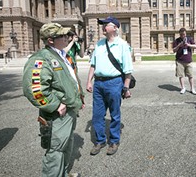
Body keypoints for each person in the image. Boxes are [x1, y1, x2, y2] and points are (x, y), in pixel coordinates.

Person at [22, 23, 85, 177]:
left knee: (66, 145)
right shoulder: (41, 59)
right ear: (50, 40)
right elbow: (35, 90)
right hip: (57, 114)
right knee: (55, 151)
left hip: (69, 110)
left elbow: (70, 79)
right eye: (63, 36)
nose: (67, 38)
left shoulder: (60, 55)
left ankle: (62, 174)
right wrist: (56, 105)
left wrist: (79, 98)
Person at [86, 16, 133, 156]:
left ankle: (114, 141)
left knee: (114, 114)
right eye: (103, 24)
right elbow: (93, 65)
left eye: (106, 24)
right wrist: (89, 81)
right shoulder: (99, 44)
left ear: (115, 28)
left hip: (115, 82)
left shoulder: (123, 45)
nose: (103, 26)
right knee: (97, 114)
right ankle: (100, 141)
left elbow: (128, 70)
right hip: (99, 83)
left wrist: (126, 88)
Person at [173, 27, 196, 95]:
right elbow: (174, 50)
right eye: (181, 34)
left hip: (188, 60)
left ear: (185, 33)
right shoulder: (177, 40)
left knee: (190, 75)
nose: (182, 35)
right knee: (181, 76)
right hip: (179, 61)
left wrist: (188, 45)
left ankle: (192, 88)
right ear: (179, 34)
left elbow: (195, 46)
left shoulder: (189, 39)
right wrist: (179, 45)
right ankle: (183, 88)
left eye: (183, 34)